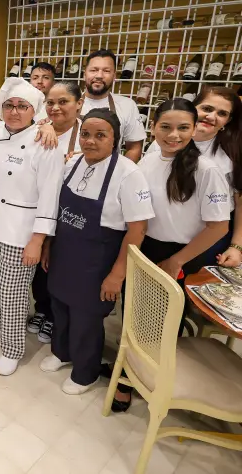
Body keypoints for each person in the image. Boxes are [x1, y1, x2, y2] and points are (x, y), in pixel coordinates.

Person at [111, 98, 231, 411]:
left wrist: (177, 260)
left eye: (183, 128)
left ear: (194, 128)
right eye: (165, 127)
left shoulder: (207, 170)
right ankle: (127, 371)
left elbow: (219, 226)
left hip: (180, 253)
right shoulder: (150, 158)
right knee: (134, 314)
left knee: (163, 324)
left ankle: (153, 379)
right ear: (153, 127)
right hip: (145, 246)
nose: (173, 135)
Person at [39, 108, 154, 395]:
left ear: (115, 139)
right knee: (60, 307)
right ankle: (62, 353)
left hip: (97, 260)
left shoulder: (129, 174)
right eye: (85, 134)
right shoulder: (73, 163)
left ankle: (85, 372)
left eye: (100, 135)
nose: (90, 141)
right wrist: (48, 246)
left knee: (86, 318)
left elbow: (138, 229)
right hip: (65, 251)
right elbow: (57, 210)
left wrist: (117, 274)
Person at [0, 78, 64, 376]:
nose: (14, 111)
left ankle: (12, 349)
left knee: (13, 293)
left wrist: (38, 240)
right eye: (9, 105)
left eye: (22, 106)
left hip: (20, 233)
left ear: (34, 111)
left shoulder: (45, 144)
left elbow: (50, 197)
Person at [146, 87, 242, 268]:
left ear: (228, 121)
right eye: (207, 108)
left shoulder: (228, 157)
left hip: (202, 246)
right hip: (156, 240)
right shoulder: (160, 145)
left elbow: (238, 206)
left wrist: (236, 246)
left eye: (221, 113)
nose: (211, 116)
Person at [28, 81, 83, 343]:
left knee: (59, 266)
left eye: (63, 102)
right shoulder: (37, 129)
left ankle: (55, 316)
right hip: (39, 207)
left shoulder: (87, 133)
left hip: (71, 213)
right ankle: (42, 308)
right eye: (50, 102)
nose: (56, 107)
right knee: (40, 264)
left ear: (79, 104)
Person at [80, 49, 146, 162]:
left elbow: (134, 148)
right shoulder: (67, 102)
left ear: (114, 76)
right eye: (94, 70)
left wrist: (119, 171)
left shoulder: (127, 105)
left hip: (108, 171)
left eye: (106, 71)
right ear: (84, 74)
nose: (99, 75)